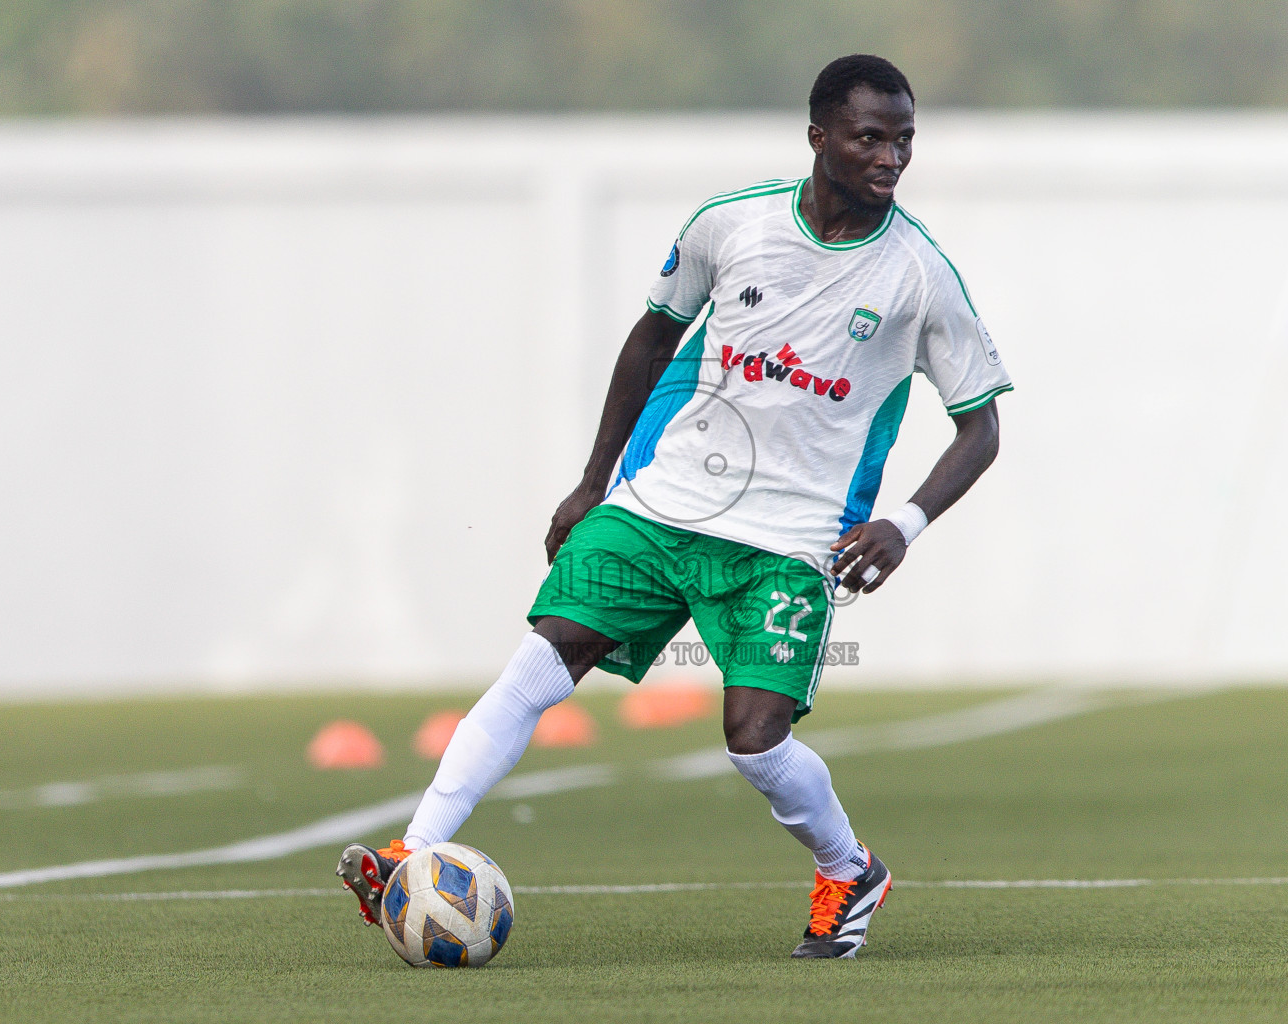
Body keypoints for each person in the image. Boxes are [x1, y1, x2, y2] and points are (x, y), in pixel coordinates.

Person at [338, 53, 1011, 960]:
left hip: (790, 543)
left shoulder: (921, 277)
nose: (891, 157)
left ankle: (850, 870)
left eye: (903, 139)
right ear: (819, 138)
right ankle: (409, 854)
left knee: (755, 741)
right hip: (662, 505)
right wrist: (591, 481)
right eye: (870, 137)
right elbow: (650, 339)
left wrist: (903, 523)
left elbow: (981, 428)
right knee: (539, 666)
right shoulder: (728, 226)